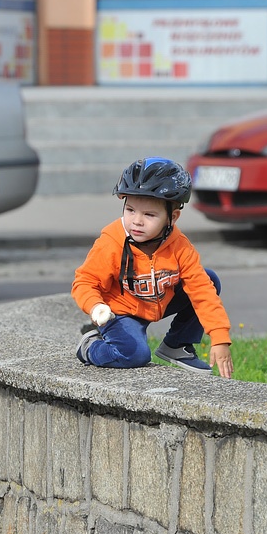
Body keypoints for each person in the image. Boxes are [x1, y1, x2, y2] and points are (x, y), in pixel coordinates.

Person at [71, 157, 234, 379]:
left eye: (149, 214)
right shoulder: (112, 241)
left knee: (209, 279)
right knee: (135, 355)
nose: (136, 221)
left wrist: (220, 337)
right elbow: (84, 281)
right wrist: (95, 306)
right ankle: (90, 347)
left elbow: (202, 291)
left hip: (157, 301)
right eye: (130, 210)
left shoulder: (179, 245)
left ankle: (176, 345)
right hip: (119, 311)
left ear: (172, 218)